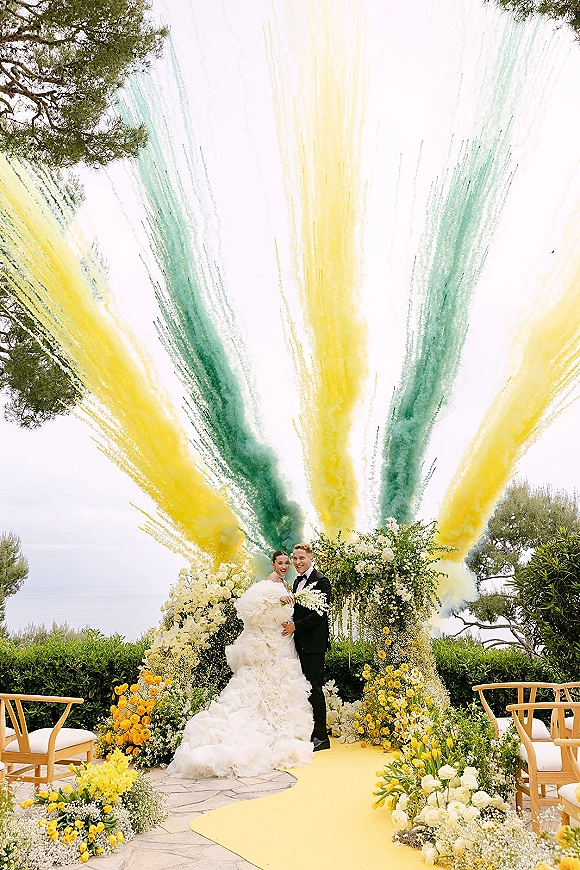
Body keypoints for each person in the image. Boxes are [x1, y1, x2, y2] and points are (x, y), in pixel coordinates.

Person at [167, 550, 314, 778]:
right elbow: (251, 608)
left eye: (288, 563)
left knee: (281, 686)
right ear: (273, 564)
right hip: (269, 645)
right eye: (281, 563)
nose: (285, 566)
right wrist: (277, 600)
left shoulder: (288, 584)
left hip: (282, 642)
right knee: (262, 686)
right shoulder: (270, 582)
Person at [281, 543, 331, 752]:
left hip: (313, 646)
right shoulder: (296, 582)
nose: (297, 562)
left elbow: (320, 615)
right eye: (295, 558)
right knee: (303, 690)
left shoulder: (322, 581)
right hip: (298, 643)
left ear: (311, 558)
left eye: (301, 558)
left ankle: (321, 736)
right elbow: (299, 610)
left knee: (315, 689)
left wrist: (295, 627)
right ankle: (308, 730)